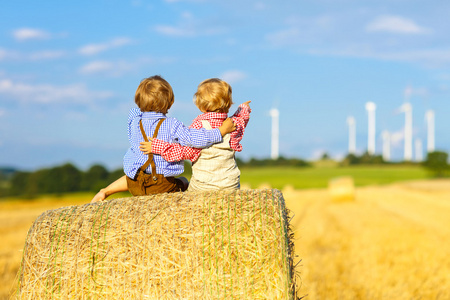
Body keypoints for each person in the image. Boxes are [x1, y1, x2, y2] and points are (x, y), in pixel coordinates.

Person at [91, 75, 235, 202]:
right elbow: (194, 139)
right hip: (160, 185)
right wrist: (220, 131)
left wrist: (142, 102)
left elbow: (134, 111)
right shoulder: (172, 124)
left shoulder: (134, 121)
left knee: (133, 175)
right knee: (184, 182)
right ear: (170, 102)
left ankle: (105, 191)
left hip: (135, 184)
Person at [140, 78, 251, 192]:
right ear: (228, 104)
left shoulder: (198, 127)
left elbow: (184, 152)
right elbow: (242, 118)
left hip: (203, 186)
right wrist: (244, 108)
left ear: (200, 105)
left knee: (186, 189)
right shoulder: (233, 124)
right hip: (230, 185)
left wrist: (158, 147)